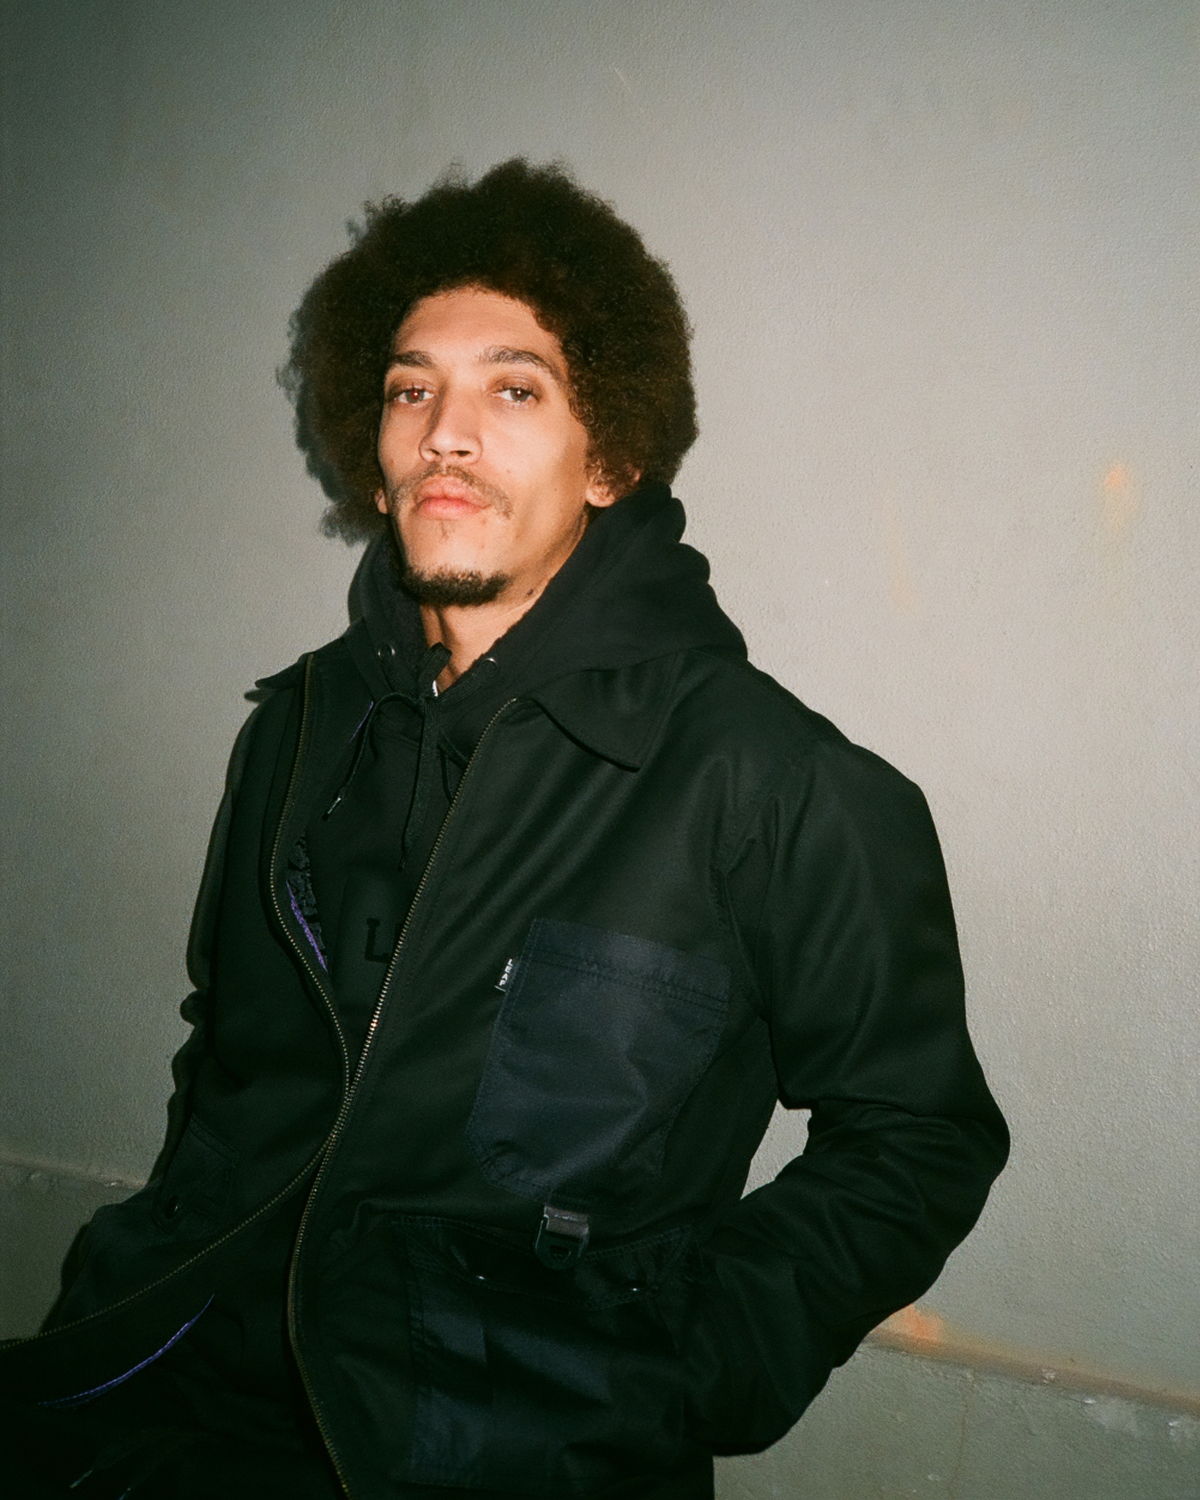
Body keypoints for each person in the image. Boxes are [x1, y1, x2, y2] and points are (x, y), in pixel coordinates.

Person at [0, 159, 1008, 1499]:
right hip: (154, 1391)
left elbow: (921, 1138)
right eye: (411, 389)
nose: (446, 434)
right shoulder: (297, 733)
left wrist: (677, 1369)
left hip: (493, 1457)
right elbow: (228, 1052)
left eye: (514, 389)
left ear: (616, 458)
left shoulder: (772, 782)